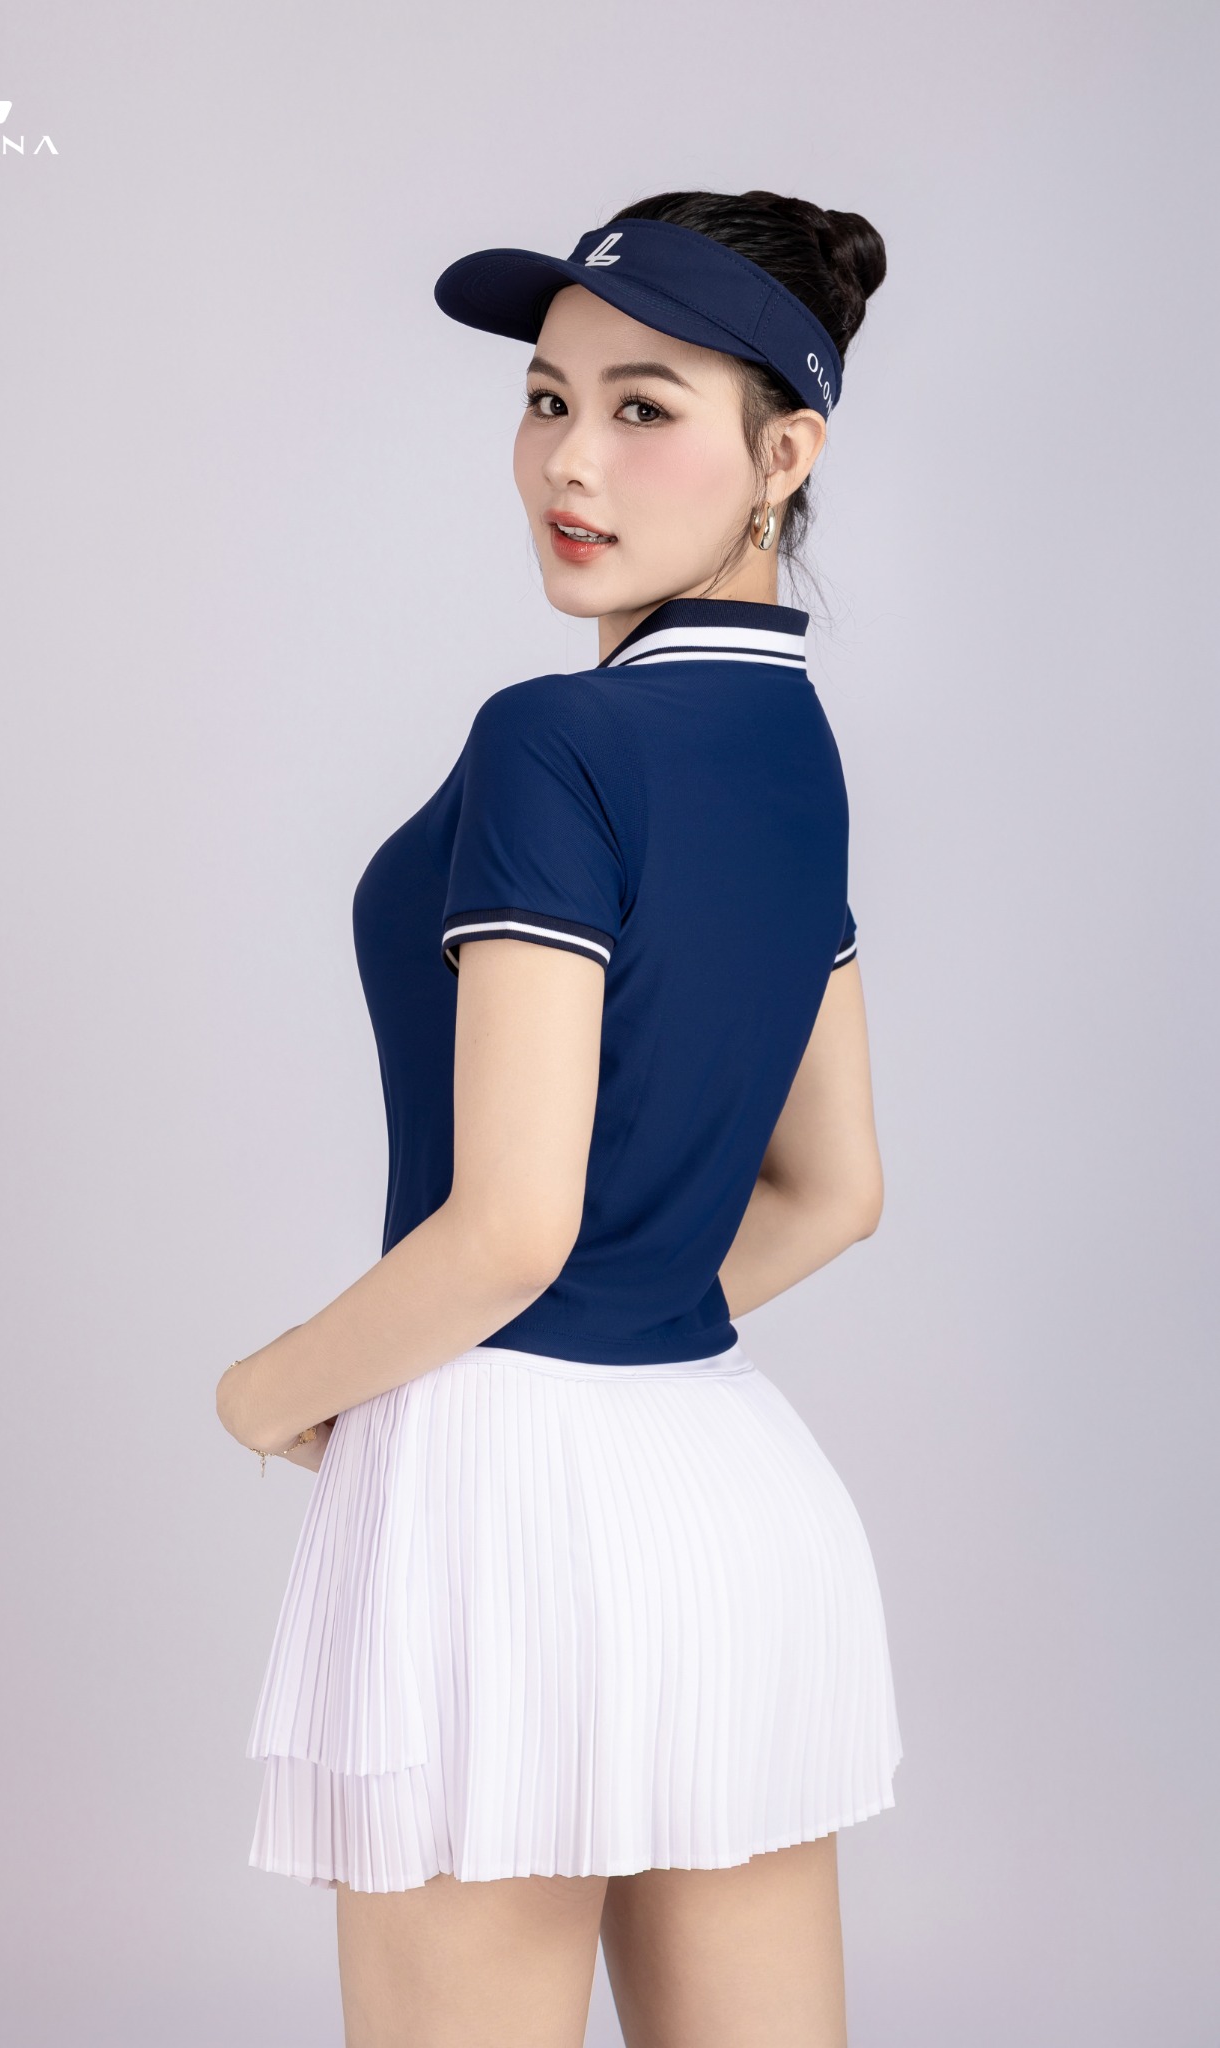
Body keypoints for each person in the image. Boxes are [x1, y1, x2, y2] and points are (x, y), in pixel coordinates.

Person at [217, 187, 901, 2048]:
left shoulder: (557, 737)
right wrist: (630, 1318)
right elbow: (834, 1190)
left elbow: (509, 1229)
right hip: (725, 1491)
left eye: (641, 407)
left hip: (501, 1512)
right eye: (545, 398)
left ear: (784, 454)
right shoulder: (796, 749)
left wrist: (270, 1395)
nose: (567, 462)